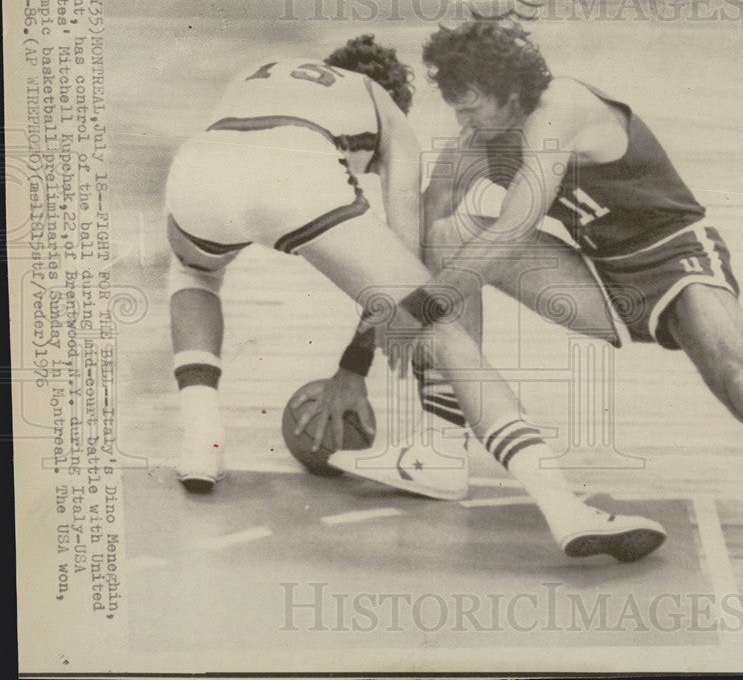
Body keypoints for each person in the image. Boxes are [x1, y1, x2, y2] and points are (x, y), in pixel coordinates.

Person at [329, 21, 743, 582]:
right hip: (600, 280)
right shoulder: (478, 142)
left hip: (674, 259)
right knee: (446, 235)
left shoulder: (561, 108)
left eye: (470, 111)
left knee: (742, 385)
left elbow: (516, 228)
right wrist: (358, 356)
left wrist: (422, 311)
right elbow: (411, 245)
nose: (462, 127)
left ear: (510, 94)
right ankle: (440, 447)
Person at [163, 34, 666, 562]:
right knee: (440, 327)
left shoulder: (260, 70)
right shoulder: (383, 110)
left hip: (197, 171)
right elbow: (409, 270)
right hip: (296, 176)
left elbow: (234, 158)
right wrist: (353, 368)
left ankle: (202, 441)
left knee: (192, 274)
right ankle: (565, 510)